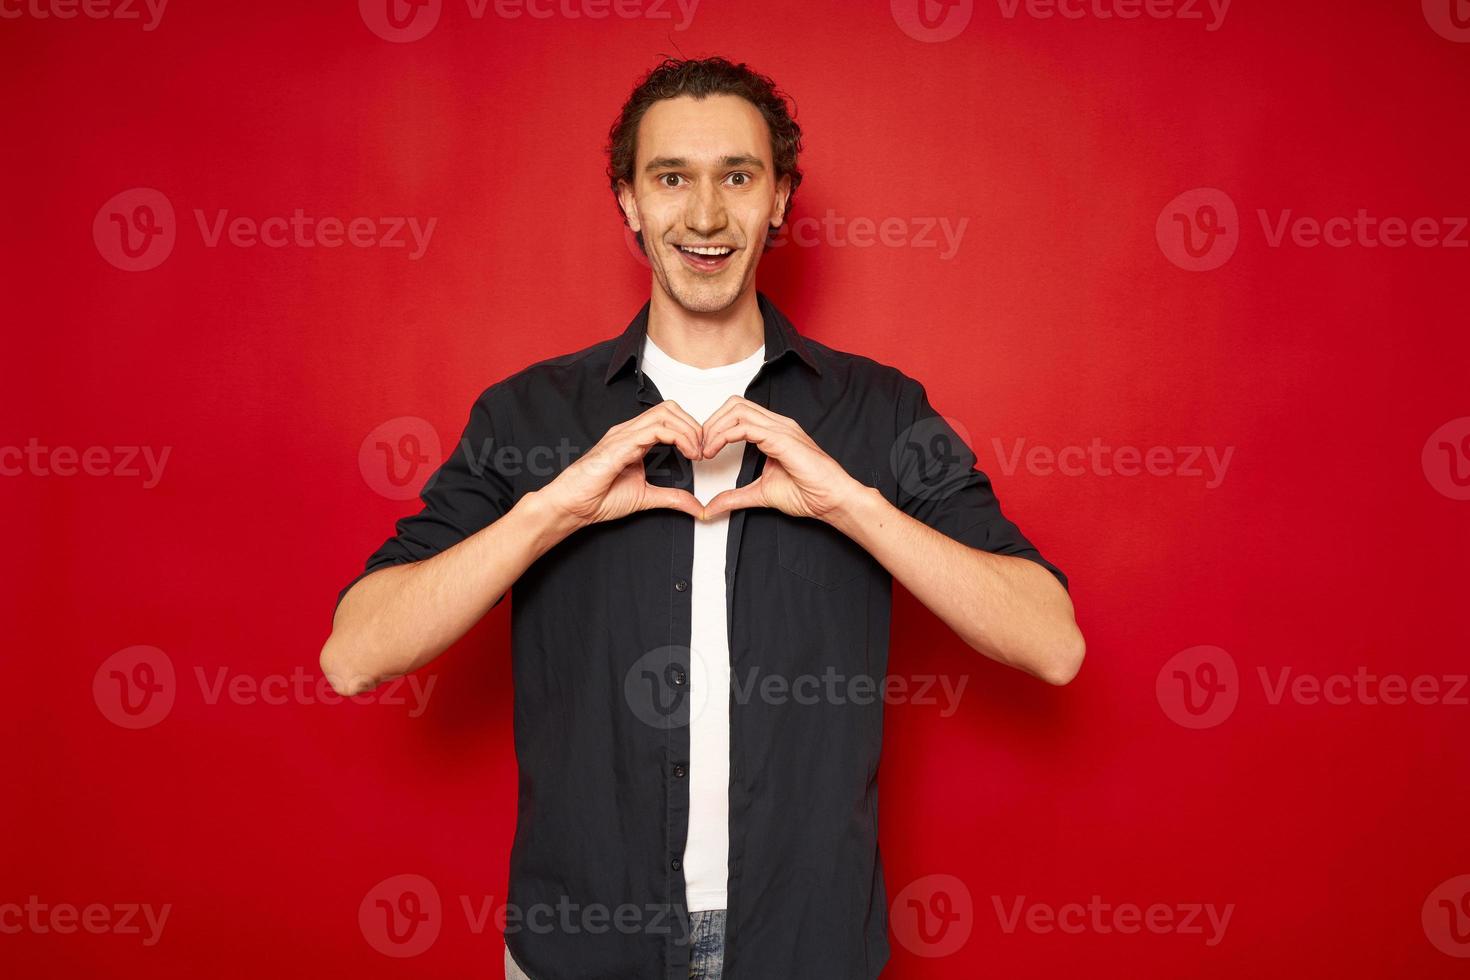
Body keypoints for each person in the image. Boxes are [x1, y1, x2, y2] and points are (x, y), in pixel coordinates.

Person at [321, 55, 1084, 980]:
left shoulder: (879, 412)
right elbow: (355, 651)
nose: (707, 215)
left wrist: (850, 502)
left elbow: (1053, 642)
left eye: (738, 176)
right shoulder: (526, 417)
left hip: (806, 944)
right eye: (671, 177)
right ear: (629, 203)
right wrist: (550, 511)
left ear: (780, 199)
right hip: (582, 950)